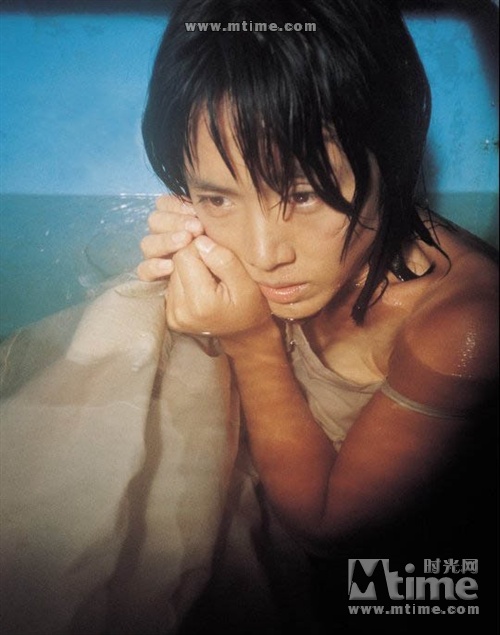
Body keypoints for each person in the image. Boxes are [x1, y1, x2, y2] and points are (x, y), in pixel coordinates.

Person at [0, 1, 497, 634]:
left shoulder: (463, 326)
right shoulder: (261, 236)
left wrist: (253, 339)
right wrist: (179, 258)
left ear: (392, 150)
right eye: (217, 196)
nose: (264, 254)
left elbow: (328, 531)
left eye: (304, 193)